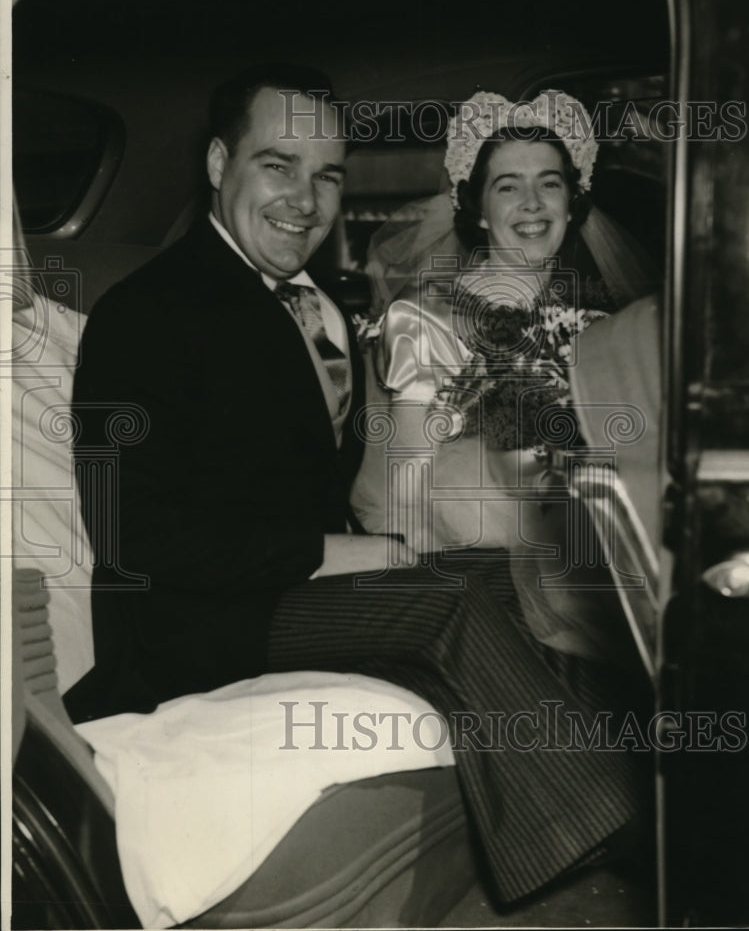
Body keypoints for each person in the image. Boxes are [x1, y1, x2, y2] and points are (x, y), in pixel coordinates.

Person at [65, 65, 644, 905]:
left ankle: (583, 819)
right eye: (277, 165)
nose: (303, 199)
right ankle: (600, 836)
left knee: (511, 577)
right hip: (188, 624)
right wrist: (333, 550)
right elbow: (139, 540)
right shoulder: (147, 313)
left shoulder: (311, 306)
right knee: (447, 601)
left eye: (326, 175)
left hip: (287, 593)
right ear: (220, 163)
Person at [351, 89, 658, 666]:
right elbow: (407, 493)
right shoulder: (426, 315)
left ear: (573, 200)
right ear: (477, 209)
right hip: (474, 562)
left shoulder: (599, 320)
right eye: (507, 186)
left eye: (550, 182)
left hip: (590, 563)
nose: (532, 203)